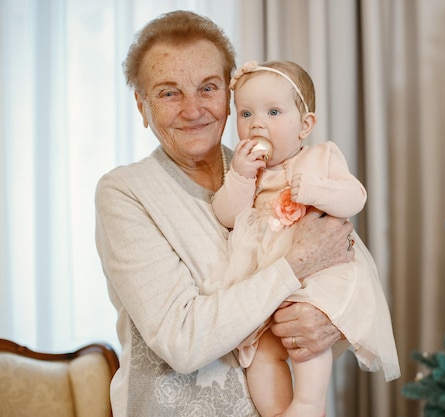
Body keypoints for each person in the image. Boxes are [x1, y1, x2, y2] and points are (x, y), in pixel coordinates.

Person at [94, 11, 356, 417]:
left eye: (208, 88)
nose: (193, 109)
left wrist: (332, 319)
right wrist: (296, 265)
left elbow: (343, 264)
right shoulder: (126, 193)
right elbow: (182, 341)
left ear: (230, 100)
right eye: (168, 93)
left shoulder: (278, 173)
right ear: (142, 106)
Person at [211, 60, 400, 417]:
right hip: (266, 275)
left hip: (319, 273)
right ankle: (279, 412)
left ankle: (310, 405)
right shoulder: (248, 171)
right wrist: (238, 176)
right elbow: (227, 214)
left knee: (306, 332)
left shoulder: (321, 157)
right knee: (262, 350)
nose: (257, 123)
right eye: (246, 113)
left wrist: (317, 189)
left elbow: (355, 197)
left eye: (273, 111)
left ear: (305, 125)